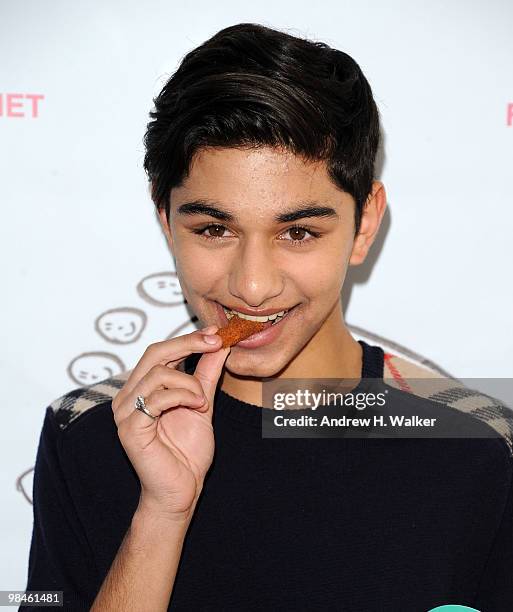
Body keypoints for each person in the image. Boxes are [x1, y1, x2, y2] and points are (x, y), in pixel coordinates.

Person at [21, 22, 513, 612]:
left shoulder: (480, 445)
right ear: (165, 218)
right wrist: (161, 513)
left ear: (363, 225)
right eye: (214, 229)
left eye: (299, 232)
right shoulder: (88, 433)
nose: (253, 286)